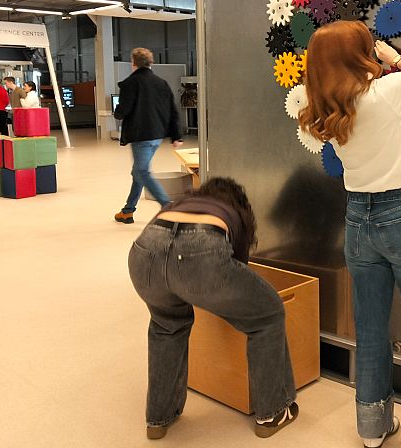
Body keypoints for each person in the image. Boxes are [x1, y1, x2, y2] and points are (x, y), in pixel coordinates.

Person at [298, 21, 401, 448]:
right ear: (360, 55)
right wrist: (392, 57)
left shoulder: (319, 109)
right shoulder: (383, 93)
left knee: (369, 330)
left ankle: (372, 428)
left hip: (358, 220)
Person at [127, 177, 298, 440]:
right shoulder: (233, 213)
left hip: (144, 251)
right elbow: (236, 270)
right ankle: (272, 412)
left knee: (166, 326)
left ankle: (159, 419)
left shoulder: (182, 202)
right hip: (199, 251)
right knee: (268, 313)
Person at [113, 48, 182, 224]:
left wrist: (117, 112)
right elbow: (172, 110)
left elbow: (123, 110)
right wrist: (176, 135)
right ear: (150, 62)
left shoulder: (130, 83)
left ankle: (167, 206)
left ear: (133, 63)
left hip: (141, 135)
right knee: (138, 171)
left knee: (142, 171)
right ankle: (128, 211)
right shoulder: (161, 83)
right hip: (157, 136)